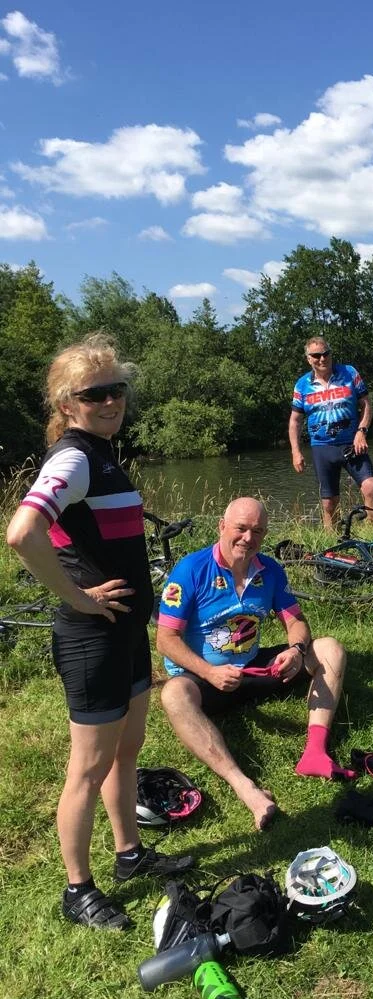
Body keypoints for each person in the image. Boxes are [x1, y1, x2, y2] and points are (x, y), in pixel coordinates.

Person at [6, 334, 194, 932]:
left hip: (125, 633)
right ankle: (77, 889)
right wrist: (77, 596)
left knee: (126, 752)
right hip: (92, 637)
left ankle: (130, 854)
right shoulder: (75, 457)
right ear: (67, 405)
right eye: (95, 394)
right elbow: (22, 532)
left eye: (118, 389)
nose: (112, 401)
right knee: (87, 768)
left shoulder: (102, 452)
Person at [156, 496, 355, 830]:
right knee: (173, 694)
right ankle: (245, 787)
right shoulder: (190, 570)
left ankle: (316, 753)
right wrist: (209, 672)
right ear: (222, 526)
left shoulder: (270, 570)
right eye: (241, 528)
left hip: (252, 667)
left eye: (258, 531)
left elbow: (296, 622)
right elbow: (166, 640)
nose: (248, 538)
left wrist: (295, 649)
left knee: (330, 648)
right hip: (205, 680)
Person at [289, 336, 373, 531]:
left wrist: (361, 431)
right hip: (322, 447)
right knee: (329, 503)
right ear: (308, 359)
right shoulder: (302, 385)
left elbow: (366, 404)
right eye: (316, 355)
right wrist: (296, 451)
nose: (322, 359)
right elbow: (295, 420)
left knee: (371, 486)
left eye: (325, 354)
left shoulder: (349, 373)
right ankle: (334, 545)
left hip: (351, 442)